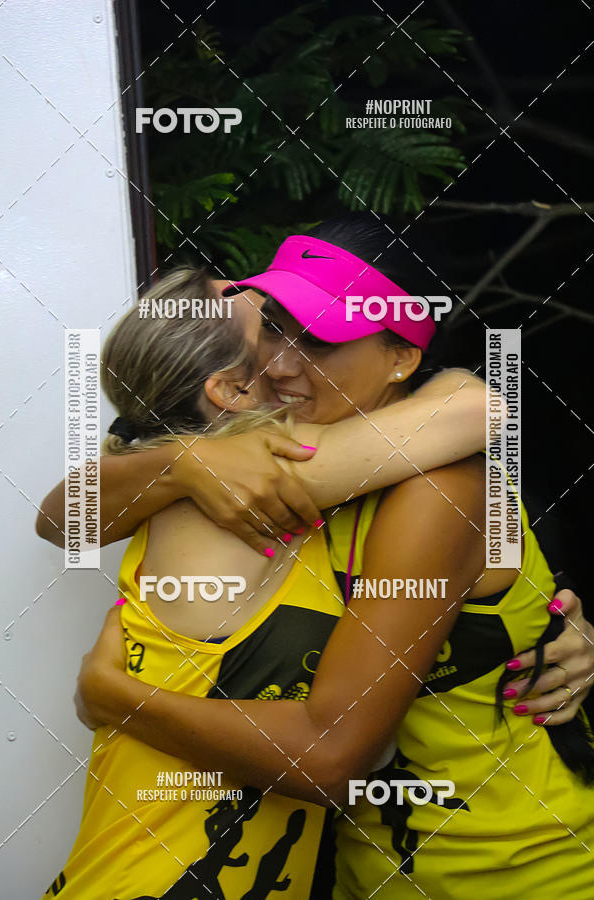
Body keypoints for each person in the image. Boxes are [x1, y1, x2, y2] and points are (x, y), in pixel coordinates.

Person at [73, 217, 594, 898]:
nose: (283, 363)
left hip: (513, 874)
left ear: (404, 357)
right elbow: (68, 515)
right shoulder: (305, 465)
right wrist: (182, 458)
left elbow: (329, 757)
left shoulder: (436, 487)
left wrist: (118, 697)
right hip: (366, 874)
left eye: (320, 340)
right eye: (278, 330)